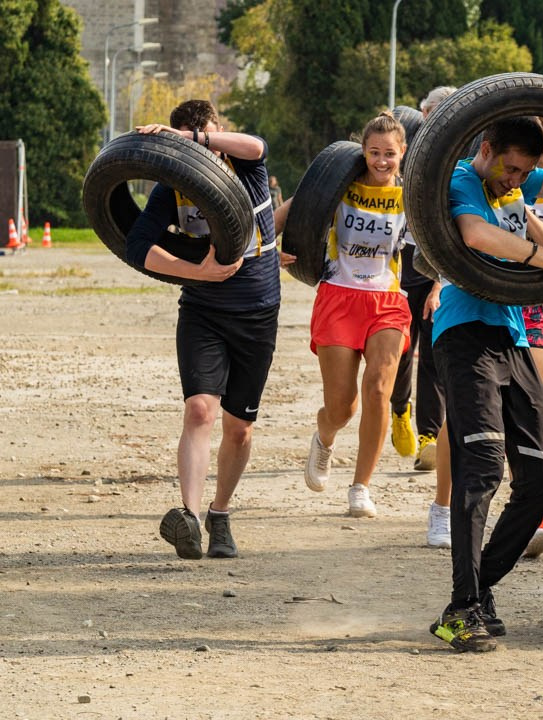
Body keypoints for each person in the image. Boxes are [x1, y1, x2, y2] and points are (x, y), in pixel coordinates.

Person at [428, 116, 543, 652]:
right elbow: (474, 234)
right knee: (482, 465)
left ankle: (475, 594)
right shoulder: (462, 176)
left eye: (524, 172)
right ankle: (463, 609)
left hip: (511, 336)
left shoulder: (518, 182)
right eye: (509, 167)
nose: (515, 180)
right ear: (486, 149)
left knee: (540, 483)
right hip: (462, 334)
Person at [125, 100, 279, 560]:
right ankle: (189, 519)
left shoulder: (245, 167)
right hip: (203, 311)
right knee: (198, 410)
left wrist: (194, 140)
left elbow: (257, 144)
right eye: (185, 138)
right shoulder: (172, 188)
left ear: (215, 132)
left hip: (256, 311)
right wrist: (197, 274)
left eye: (203, 136)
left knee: (239, 429)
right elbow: (137, 245)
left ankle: (220, 513)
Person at [283, 112, 412, 518]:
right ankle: (324, 438)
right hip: (339, 295)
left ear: (402, 152)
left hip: (387, 301)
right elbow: (287, 217)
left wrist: (440, 287)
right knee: (343, 407)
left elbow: (437, 244)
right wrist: (265, 250)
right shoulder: (338, 187)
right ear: (363, 152)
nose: (381, 161)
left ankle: (361, 487)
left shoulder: (413, 197)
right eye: (374, 152)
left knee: (378, 390)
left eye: (389, 154)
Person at [390, 86, 456, 479]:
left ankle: (429, 436)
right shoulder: (397, 155)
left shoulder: (456, 161)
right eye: (435, 112)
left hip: (436, 263)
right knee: (400, 345)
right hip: (400, 263)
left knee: (432, 351)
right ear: (422, 113)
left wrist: (439, 282)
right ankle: (400, 409)